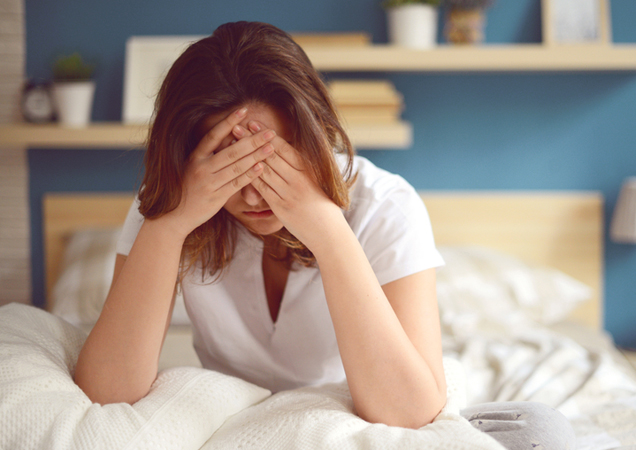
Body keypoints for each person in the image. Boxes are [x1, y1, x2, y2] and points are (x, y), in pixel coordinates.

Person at [74, 21, 575, 445]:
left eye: (273, 165)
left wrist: (328, 230)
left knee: (541, 431)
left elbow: (409, 411)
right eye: (230, 170)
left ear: (313, 138)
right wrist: (172, 223)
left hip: (357, 421)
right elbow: (108, 391)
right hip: (241, 426)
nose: (255, 198)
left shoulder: (384, 205)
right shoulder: (168, 204)